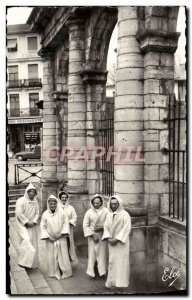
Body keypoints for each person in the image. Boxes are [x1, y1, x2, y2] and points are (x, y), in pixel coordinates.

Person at [40, 195, 72, 280]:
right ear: (48, 204)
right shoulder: (45, 214)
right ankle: (53, 271)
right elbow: (42, 226)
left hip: (61, 237)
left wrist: (61, 234)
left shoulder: (62, 213)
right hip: (51, 239)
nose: (52, 205)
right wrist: (48, 237)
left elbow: (66, 223)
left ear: (56, 204)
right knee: (52, 255)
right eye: (51, 204)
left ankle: (65, 271)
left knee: (63, 254)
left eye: (54, 203)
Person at [102, 195, 131, 288]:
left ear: (119, 204)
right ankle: (112, 282)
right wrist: (108, 237)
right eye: (112, 204)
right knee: (112, 261)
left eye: (115, 204)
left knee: (122, 262)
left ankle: (122, 283)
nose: (113, 206)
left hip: (121, 243)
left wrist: (117, 239)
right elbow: (105, 227)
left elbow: (126, 228)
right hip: (111, 242)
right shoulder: (109, 215)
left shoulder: (125, 215)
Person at [83, 194, 109, 278]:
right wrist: (92, 235)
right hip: (92, 236)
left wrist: (102, 227)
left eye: (97, 203)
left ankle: (102, 271)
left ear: (101, 202)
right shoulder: (89, 212)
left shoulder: (106, 211)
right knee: (92, 254)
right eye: (94, 203)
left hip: (102, 236)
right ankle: (92, 272)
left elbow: (110, 223)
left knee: (102, 254)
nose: (95, 205)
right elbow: (85, 225)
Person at [15, 183, 40, 269]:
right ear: (27, 192)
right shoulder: (20, 201)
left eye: (33, 192)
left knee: (33, 242)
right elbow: (19, 213)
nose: (32, 193)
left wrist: (34, 221)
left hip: (32, 225)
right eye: (30, 191)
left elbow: (37, 213)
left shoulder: (35, 201)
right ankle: (23, 262)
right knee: (26, 240)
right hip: (22, 225)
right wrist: (26, 222)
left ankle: (32, 263)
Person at [58, 191, 78, 265]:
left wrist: (69, 222)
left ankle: (68, 255)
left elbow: (74, 217)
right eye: (62, 197)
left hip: (69, 227)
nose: (64, 199)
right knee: (60, 241)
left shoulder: (70, 207)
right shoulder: (57, 207)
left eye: (65, 197)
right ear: (60, 198)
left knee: (68, 241)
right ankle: (61, 257)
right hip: (60, 227)